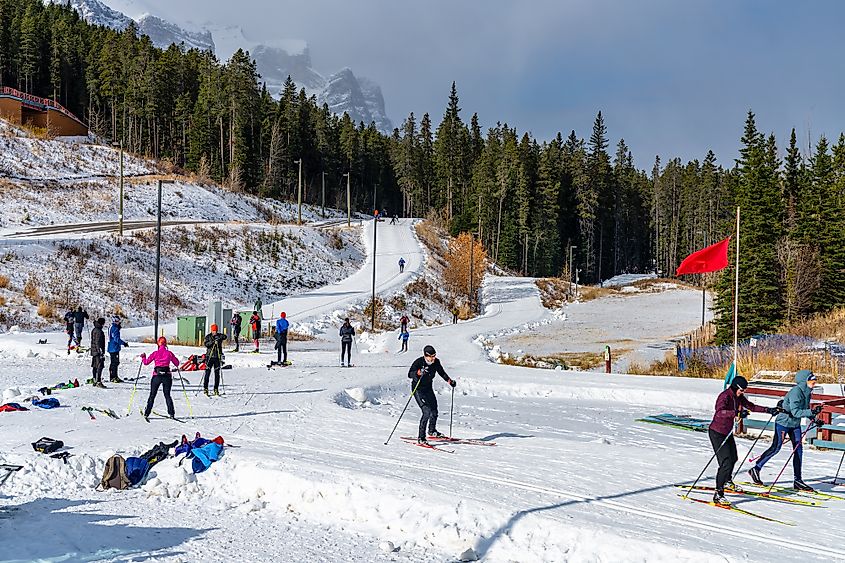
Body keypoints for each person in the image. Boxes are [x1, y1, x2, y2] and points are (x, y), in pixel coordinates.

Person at [707, 375, 778, 505]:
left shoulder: (738, 397)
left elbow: (751, 406)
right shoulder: (725, 396)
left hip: (727, 433)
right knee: (726, 462)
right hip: (717, 433)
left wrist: (768, 410)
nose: (743, 392)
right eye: (742, 390)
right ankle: (718, 493)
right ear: (735, 387)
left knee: (733, 457)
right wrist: (736, 413)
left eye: (744, 390)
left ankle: (728, 481)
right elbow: (719, 412)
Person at [748, 370, 823, 492]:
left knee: (798, 450)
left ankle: (798, 480)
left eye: (814, 381)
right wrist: (812, 412)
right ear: (805, 382)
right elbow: (795, 412)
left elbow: (804, 409)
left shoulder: (808, 392)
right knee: (776, 448)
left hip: (795, 425)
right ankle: (756, 469)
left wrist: (814, 419)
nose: (814, 383)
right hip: (783, 423)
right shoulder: (796, 392)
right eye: (812, 381)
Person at [407, 345, 456, 445]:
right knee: (426, 411)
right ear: (426, 355)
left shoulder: (436, 362)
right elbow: (410, 374)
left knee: (434, 410)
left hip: (428, 388)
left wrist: (449, 381)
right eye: (431, 356)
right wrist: (418, 373)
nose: (433, 358)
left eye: (434, 355)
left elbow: (441, 372)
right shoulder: (419, 362)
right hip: (418, 389)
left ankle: (432, 431)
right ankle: (421, 437)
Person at [140, 336, 180, 420]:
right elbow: (177, 363)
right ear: (165, 344)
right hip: (167, 376)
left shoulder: (155, 353)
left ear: (158, 343)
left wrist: (143, 357)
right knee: (167, 395)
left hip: (156, 376)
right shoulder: (169, 353)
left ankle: (147, 413)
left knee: (152, 395)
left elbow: (146, 362)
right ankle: (171, 413)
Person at [203, 324, 227, 396]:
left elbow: (225, 337)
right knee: (207, 373)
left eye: (216, 330)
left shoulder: (219, 335)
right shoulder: (208, 336)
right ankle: (205, 388)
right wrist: (213, 342)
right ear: (211, 330)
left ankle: (216, 388)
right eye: (213, 330)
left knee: (217, 374)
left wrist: (219, 337)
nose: (215, 332)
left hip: (217, 357)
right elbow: (206, 344)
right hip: (209, 357)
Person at [107, 315, 129, 383]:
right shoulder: (114, 328)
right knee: (115, 363)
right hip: (114, 348)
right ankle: (113, 377)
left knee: (114, 362)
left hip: (112, 347)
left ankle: (114, 376)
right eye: (118, 321)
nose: (119, 323)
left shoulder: (112, 327)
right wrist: (124, 343)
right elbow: (116, 339)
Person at [90, 317, 106, 388]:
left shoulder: (94, 329)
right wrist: (101, 352)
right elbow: (98, 343)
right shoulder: (99, 331)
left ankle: (94, 380)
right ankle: (98, 381)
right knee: (100, 366)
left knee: (95, 366)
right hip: (97, 352)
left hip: (94, 351)